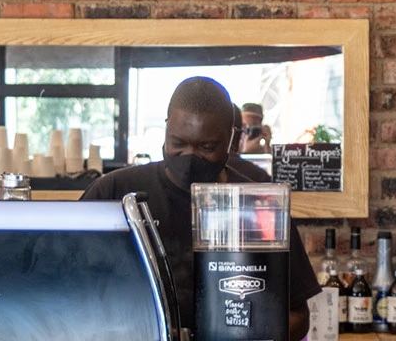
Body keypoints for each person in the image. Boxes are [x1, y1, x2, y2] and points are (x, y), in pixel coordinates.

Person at [81, 77, 318, 341]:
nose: (190, 156)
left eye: (206, 147)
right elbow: (66, 292)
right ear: (166, 130)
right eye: (178, 143)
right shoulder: (112, 193)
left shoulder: (258, 204)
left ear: (230, 139)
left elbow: (298, 316)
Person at [227, 105, 273, 183]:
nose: (248, 133)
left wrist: (267, 146)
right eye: (245, 127)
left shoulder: (266, 152)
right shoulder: (227, 160)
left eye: (254, 127)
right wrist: (243, 152)